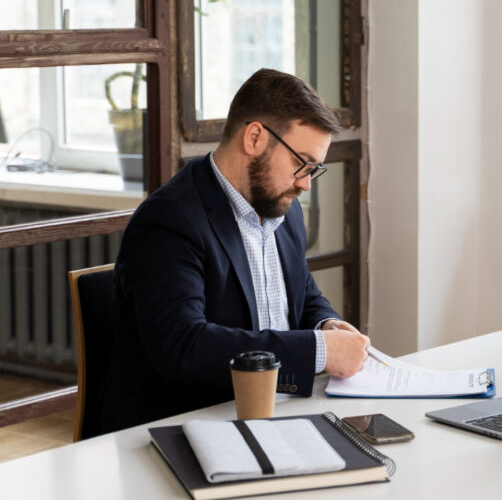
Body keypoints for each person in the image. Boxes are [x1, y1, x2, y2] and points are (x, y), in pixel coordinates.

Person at [98, 68, 370, 433]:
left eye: (313, 169)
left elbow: (304, 296)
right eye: (300, 163)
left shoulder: (282, 207)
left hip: (275, 417)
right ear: (255, 137)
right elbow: (184, 345)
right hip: (183, 430)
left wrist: (327, 325)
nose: (305, 184)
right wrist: (320, 350)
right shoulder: (169, 220)